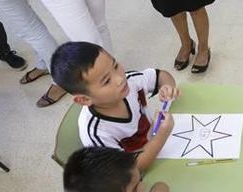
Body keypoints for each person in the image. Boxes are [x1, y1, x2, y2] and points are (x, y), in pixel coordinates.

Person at [50, 41, 178, 172]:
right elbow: (131, 169)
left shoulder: (130, 82)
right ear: (84, 99)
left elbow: (162, 76)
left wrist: (167, 87)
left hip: (161, 145)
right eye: (106, 81)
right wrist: (160, 136)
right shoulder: (97, 133)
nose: (120, 79)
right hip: (140, 176)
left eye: (115, 66)